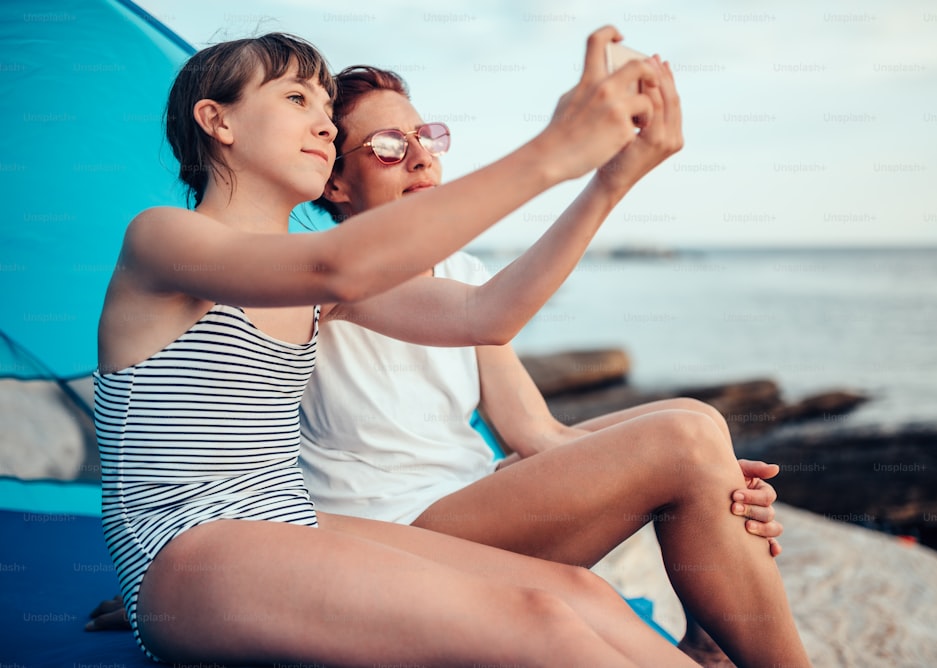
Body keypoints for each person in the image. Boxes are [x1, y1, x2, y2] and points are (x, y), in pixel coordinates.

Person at [94, 27, 713, 666]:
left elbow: (487, 311)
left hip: (294, 524)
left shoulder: (316, 285)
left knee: (579, 595)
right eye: (297, 99)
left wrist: (609, 180)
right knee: (535, 623)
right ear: (216, 120)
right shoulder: (163, 240)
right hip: (189, 547)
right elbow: (334, 264)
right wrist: (556, 148)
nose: (326, 125)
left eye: (325, 105)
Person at [292, 65, 809, 667]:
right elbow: (491, 316)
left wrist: (708, 471)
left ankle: (709, 644)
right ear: (336, 184)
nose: (419, 158)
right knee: (685, 440)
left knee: (695, 419)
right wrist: (610, 180)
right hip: (395, 529)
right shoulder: (323, 274)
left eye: (426, 137)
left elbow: (538, 434)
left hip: (469, 500)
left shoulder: (461, 272)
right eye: (386, 146)